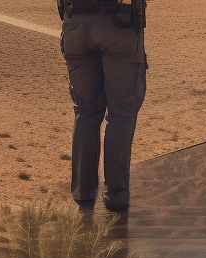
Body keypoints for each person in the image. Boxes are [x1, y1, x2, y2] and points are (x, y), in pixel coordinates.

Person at [58, 0, 148, 211]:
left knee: (86, 111)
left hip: (76, 26)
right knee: (122, 113)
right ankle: (116, 195)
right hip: (118, 26)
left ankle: (83, 192)